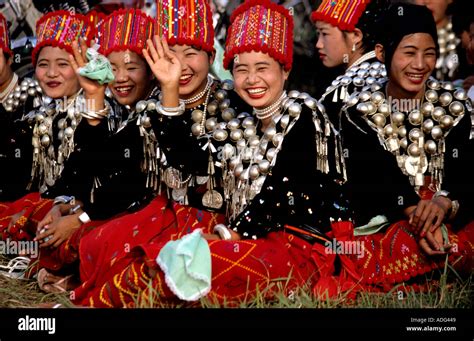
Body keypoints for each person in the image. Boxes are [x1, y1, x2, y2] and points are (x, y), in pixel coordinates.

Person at [69, 0, 407, 307]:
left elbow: (279, 190)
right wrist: (159, 95)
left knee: (178, 264)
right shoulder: (243, 124)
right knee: (151, 258)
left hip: (295, 247)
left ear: (285, 70)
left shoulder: (301, 112)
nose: (251, 79)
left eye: (263, 68)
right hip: (248, 237)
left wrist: (224, 234)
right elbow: (193, 161)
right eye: (242, 69)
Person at [337, 3, 474, 289]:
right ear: (381, 53)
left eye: (430, 53)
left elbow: (467, 170)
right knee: (362, 249)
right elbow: (375, 176)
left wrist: (444, 201)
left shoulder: (456, 106)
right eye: (409, 53)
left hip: (449, 216)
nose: (420, 64)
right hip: (392, 219)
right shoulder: (357, 113)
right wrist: (415, 213)